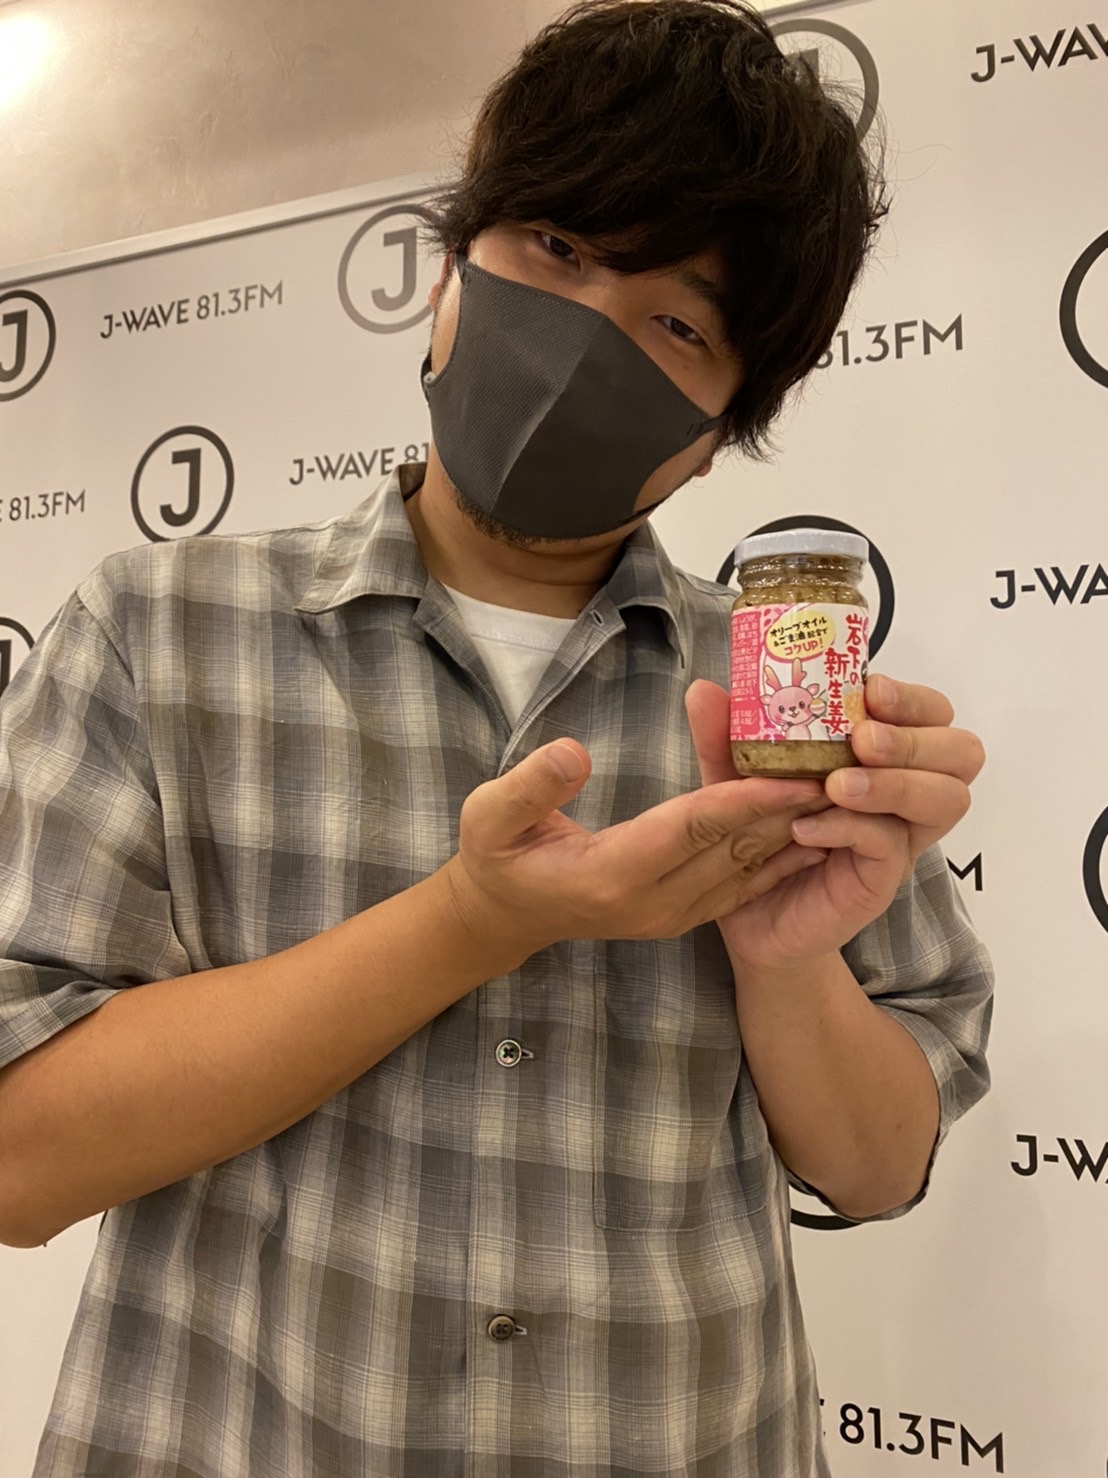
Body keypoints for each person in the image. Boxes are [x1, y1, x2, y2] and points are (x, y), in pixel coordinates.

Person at [0, 2, 991, 1474]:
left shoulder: (783, 705)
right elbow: (19, 1158)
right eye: (558, 248)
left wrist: (786, 958)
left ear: (727, 426)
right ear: (449, 270)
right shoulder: (157, 628)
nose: (585, 335)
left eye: (678, 322)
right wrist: (472, 919)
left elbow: (878, 1166)